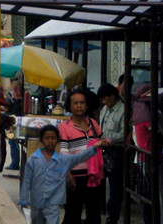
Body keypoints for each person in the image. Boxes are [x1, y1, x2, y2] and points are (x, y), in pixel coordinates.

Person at [20, 124, 110, 224]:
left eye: (53, 138)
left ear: (58, 140)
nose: (50, 141)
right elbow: (27, 180)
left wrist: (93, 147)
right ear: (42, 140)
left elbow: (79, 157)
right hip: (36, 202)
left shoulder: (63, 160)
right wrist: (23, 200)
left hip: (53, 203)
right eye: (47, 138)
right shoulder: (33, 159)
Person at [58, 88, 104, 224]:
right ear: (70, 106)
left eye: (82, 103)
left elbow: (101, 141)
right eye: (76, 103)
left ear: (86, 105)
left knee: (94, 215)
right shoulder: (64, 127)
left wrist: (105, 142)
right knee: (72, 215)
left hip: (93, 176)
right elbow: (64, 154)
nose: (79, 106)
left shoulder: (93, 124)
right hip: (75, 179)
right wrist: (68, 175)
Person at [97, 83, 125, 224]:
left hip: (116, 150)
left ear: (112, 97)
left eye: (105, 99)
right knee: (97, 182)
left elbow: (124, 134)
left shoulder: (123, 110)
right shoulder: (105, 109)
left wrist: (109, 139)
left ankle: (112, 217)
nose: (103, 102)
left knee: (115, 186)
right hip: (102, 149)